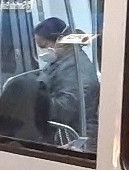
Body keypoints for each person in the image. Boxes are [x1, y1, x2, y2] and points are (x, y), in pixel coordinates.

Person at [33, 17, 98, 148]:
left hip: (72, 138)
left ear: (59, 41)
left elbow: (65, 110)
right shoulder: (60, 61)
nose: (42, 52)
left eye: (43, 46)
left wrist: (34, 103)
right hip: (61, 134)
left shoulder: (76, 69)